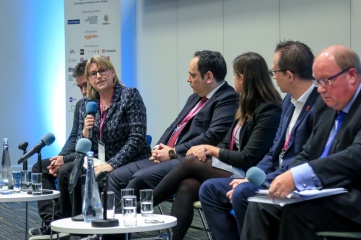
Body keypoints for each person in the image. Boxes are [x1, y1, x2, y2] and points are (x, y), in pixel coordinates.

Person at [152, 52, 283, 240]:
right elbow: (224, 142)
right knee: (187, 185)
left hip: (249, 172)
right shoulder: (244, 106)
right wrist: (206, 150)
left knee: (191, 161)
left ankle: (145, 206)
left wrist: (210, 149)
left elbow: (248, 157)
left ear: (243, 78)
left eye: (235, 76)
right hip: (232, 167)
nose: (233, 80)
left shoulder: (269, 110)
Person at [199, 40, 319, 239]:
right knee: (209, 189)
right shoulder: (288, 101)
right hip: (271, 174)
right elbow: (274, 151)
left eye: (275, 72)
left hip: (291, 180)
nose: (273, 77)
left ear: (289, 75)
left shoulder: (319, 106)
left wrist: (261, 181)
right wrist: (251, 177)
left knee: (242, 193)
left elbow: (305, 158)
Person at [241, 45, 361, 240]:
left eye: (327, 81)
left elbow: (356, 156)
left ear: (352, 75)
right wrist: (291, 176)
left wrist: (300, 177)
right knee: (261, 203)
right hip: (321, 191)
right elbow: (307, 151)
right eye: (317, 81)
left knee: (296, 210)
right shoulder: (325, 104)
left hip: (353, 195)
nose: (320, 89)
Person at [108, 50, 239, 211]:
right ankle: (115, 232)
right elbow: (174, 126)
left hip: (186, 159)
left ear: (209, 77)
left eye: (193, 75)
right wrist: (158, 148)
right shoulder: (195, 97)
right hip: (166, 155)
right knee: (116, 176)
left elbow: (212, 136)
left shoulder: (228, 98)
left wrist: (173, 152)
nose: (188, 79)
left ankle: (122, 225)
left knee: (140, 179)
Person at [30, 60, 88, 238]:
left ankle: (68, 224)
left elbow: (90, 145)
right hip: (73, 154)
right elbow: (73, 137)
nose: (84, 91)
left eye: (86, 85)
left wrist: (65, 160)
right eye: (80, 87)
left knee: (65, 169)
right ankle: (52, 221)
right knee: (40, 167)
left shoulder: (102, 104)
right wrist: (60, 157)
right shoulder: (81, 105)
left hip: (91, 156)